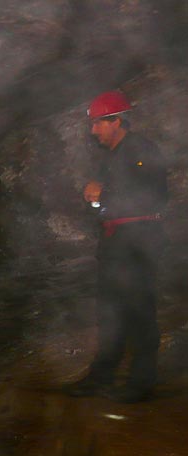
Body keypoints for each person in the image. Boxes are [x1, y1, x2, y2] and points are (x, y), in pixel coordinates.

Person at [65, 90, 168, 403]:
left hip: (138, 241)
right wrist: (95, 200)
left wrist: (104, 193)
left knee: (139, 310)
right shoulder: (110, 157)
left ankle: (142, 383)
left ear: (117, 121)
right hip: (116, 242)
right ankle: (102, 376)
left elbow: (154, 195)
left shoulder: (141, 150)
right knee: (109, 312)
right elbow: (106, 206)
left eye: (99, 123)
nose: (93, 130)